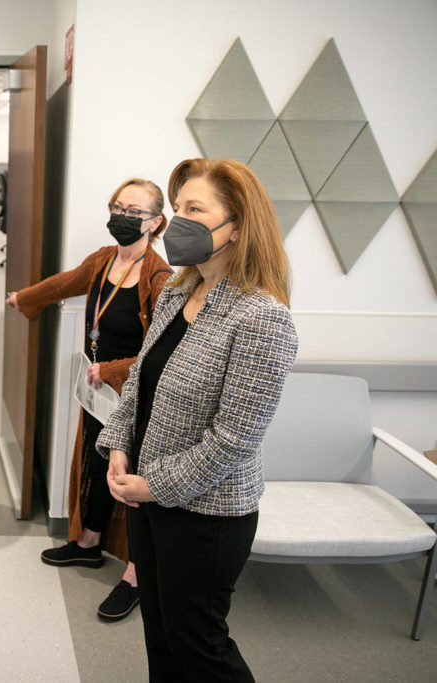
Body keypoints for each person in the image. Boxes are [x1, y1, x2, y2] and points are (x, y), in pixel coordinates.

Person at [99, 158, 298, 681]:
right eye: (178, 207)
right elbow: (140, 381)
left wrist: (153, 486)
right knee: (160, 633)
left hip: (206, 513)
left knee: (200, 646)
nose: (178, 221)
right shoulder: (177, 292)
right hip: (147, 501)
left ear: (238, 226)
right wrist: (118, 446)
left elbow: (235, 438)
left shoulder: (262, 317)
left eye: (195, 209)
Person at [7, 178, 172, 622]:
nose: (122, 217)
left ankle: (136, 576)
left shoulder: (160, 278)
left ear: (156, 222)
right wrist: (25, 298)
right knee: (96, 468)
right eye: (117, 207)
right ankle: (89, 544)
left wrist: (114, 370)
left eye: (134, 212)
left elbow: (162, 351)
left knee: (131, 483)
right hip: (99, 396)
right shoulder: (103, 260)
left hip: (136, 400)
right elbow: (66, 283)